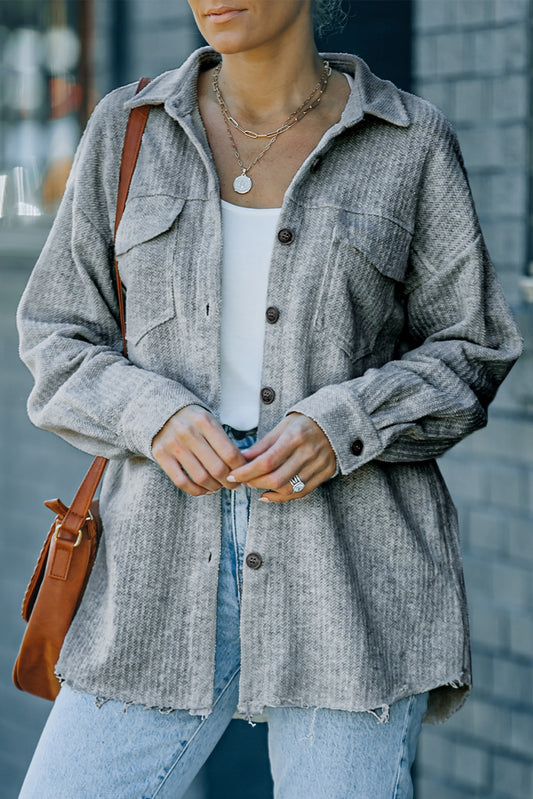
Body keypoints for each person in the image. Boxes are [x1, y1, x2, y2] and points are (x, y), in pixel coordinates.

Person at [16, 1, 522, 797]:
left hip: (352, 574)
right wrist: (155, 414)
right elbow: (56, 336)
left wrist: (345, 423)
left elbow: (472, 349)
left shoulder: (407, 141)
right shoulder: (126, 127)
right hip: (153, 570)